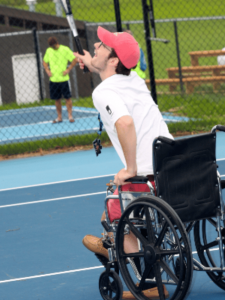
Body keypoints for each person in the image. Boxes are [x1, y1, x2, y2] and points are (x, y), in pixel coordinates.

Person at [74, 27, 172, 299]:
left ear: (115, 60)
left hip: (147, 178)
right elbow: (109, 70)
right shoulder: (136, 80)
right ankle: (110, 244)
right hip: (174, 168)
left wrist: (129, 169)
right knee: (115, 201)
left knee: (114, 208)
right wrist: (92, 60)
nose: (95, 44)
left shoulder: (103, 93)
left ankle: (149, 283)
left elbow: (125, 122)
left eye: (102, 45)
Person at [43, 37, 78, 123]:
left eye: (53, 46)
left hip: (64, 79)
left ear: (56, 43)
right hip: (53, 80)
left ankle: (70, 116)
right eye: (51, 47)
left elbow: (75, 59)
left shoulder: (65, 49)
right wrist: (47, 70)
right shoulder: (49, 50)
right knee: (57, 99)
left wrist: (68, 69)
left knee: (67, 98)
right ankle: (59, 117)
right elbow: (44, 61)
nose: (53, 48)